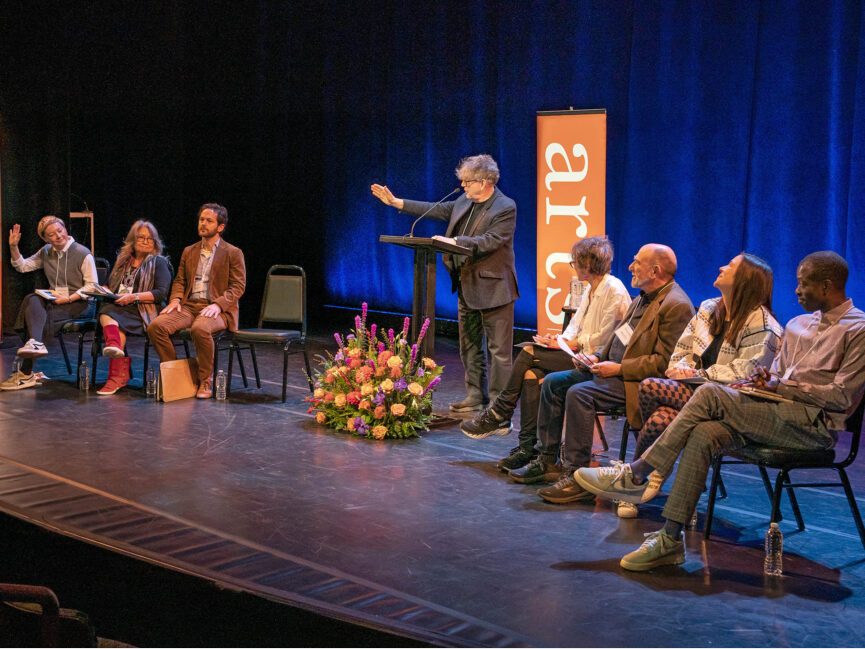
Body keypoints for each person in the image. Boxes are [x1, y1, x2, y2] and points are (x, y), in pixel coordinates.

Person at [575, 251, 865, 571]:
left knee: (710, 393)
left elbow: (841, 398)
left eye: (803, 284)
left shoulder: (858, 330)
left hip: (812, 426)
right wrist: (761, 382)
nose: (796, 291)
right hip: (772, 412)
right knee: (704, 431)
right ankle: (670, 539)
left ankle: (638, 473)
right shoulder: (797, 325)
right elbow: (774, 378)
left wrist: (779, 386)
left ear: (827, 286)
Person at [509, 244, 694, 507]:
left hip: (635, 382)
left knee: (579, 393)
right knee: (553, 382)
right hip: (610, 370)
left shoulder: (676, 305)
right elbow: (621, 337)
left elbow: (664, 363)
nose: (631, 266)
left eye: (637, 262)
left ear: (655, 270)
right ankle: (547, 460)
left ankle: (577, 476)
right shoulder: (643, 296)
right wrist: (597, 357)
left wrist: (619, 368)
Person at [617, 253, 783, 518]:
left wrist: (698, 375)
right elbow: (681, 349)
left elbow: (744, 373)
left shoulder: (765, 326)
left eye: (729, 266)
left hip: (728, 401)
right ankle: (649, 475)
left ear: (745, 280)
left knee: (650, 387)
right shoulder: (707, 309)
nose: (721, 266)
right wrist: (681, 367)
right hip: (690, 391)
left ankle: (643, 477)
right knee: (662, 417)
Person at [460, 236, 631, 473]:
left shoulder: (613, 290)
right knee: (531, 374)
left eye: (576, 262)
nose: (574, 266)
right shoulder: (592, 289)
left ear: (588, 264)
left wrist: (572, 342)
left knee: (528, 352)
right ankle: (528, 449)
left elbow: (605, 337)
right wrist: (558, 340)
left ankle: (501, 411)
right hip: (577, 352)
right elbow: (575, 325)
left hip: (594, 360)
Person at [371, 154, 518, 412]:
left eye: (467, 181)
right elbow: (436, 209)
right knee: (470, 346)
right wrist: (397, 202)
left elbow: (490, 241)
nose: (462, 186)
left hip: (495, 289)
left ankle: (498, 405)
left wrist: (456, 242)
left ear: (484, 182)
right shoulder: (464, 200)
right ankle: (475, 395)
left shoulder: (505, 207)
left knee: (499, 353)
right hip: (466, 286)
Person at [146, 203, 246, 399]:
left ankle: (205, 380)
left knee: (200, 329)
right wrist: (175, 299)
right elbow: (180, 280)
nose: (203, 224)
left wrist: (218, 304)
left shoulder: (233, 252)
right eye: (201, 220)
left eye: (209, 221)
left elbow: (238, 287)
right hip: (189, 305)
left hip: (218, 309)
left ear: (220, 227)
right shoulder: (189, 251)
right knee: (156, 327)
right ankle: (176, 373)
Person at [1, 216, 98, 391]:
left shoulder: (83, 253)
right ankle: (35, 345)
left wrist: (69, 298)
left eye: (60, 231)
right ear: (45, 238)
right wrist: (13, 247)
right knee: (32, 299)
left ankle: (26, 371)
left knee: (39, 319)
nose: (58, 236)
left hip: (81, 304)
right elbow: (23, 266)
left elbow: (92, 287)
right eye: (51, 235)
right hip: (57, 302)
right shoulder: (46, 251)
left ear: (65, 229)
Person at [95, 220, 173, 395]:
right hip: (121, 308)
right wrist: (101, 290)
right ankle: (115, 358)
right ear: (132, 240)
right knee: (107, 308)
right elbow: (110, 285)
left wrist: (133, 297)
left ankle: (116, 373)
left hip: (145, 309)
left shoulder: (158, 262)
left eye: (150, 239)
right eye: (141, 238)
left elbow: (160, 293)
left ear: (155, 242)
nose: (145, 241)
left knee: (109, 313)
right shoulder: (123, 261)